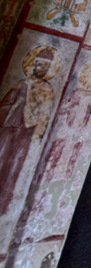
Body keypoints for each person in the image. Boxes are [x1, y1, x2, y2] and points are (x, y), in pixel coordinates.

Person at [0, 47, 58, 214]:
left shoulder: (47, 90)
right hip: (10, 125)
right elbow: (6, 102)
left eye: (45, 67)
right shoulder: (22, 84)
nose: (41, 69)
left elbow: (45, 115)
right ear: (33, 66)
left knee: (16, 163)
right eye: (39, 65)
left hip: (27, 130)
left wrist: (38, 134)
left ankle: (4, 202)